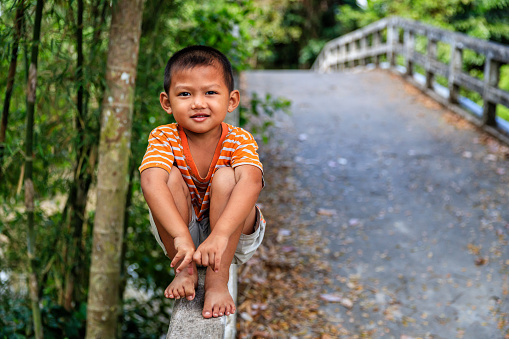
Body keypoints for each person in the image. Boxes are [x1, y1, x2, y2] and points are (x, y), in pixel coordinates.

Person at [139, 45, 266, 319]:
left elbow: (253, 183)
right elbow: (150, 181)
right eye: (185, 94)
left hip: (232, 232)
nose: (198, 103)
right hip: (181, 236)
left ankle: (217, 283)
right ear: (167, 102)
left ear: (231, 100)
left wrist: (220, 235)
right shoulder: (164, 137)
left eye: (210, 92)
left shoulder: (239, 139)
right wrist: (181, 236)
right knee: (166, 176)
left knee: (226, 177)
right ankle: (184, 271)